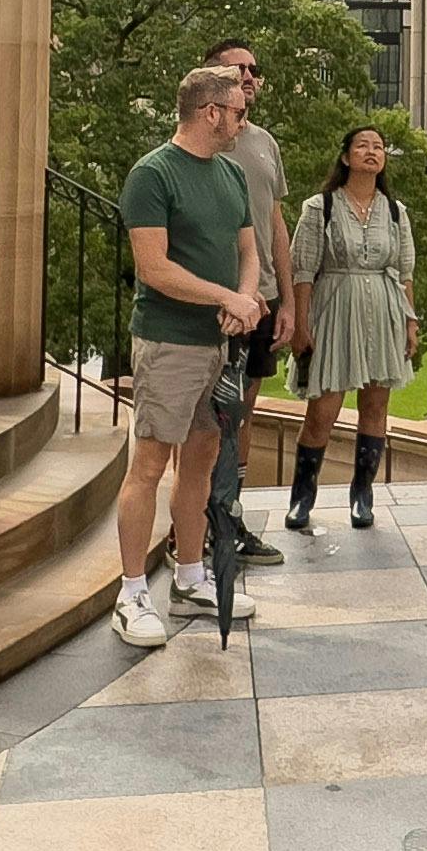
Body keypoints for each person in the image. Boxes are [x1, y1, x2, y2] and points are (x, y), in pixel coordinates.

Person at [110, 65, 266, 649]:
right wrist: (226, 296)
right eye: (237, 111)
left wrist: (243, 297)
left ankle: (191, 577)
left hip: (218, 344)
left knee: (199, 464)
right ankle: (130, 594)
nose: (242, 120)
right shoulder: (152, 175)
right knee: (148, 466)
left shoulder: (230, 172)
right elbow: (154, 268)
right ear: (210, 113)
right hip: (168, 343)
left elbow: (245, 250)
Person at [283, 125, 418, 531]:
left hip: (383, 310)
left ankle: (363, 494)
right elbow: (302, 270)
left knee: (375, 407)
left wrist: (411, 322)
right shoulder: (318, 207)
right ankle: (302, 498)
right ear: (346, 157)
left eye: (378, 147)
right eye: (363, 145)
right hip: (334, 310)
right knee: (322, 411)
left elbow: (406, 272)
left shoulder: (396, 212)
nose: (372, 152)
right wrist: (301, 324)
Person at [197, 39, 295, 570]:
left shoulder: (263, 143)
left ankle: (230, 520)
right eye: (239, 70)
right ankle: (196, 528)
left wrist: (288, 302)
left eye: (255, 69)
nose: (252, 76)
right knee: (206, 420)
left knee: (242, 416)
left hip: (262, 302)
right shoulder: (198, 142)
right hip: (210, 305)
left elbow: (275, 223)